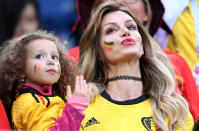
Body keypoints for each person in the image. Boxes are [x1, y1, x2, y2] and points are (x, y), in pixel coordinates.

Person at [68, 0, 199, 122]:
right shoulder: (69, 60)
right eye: (111, 29)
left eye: (131, 27)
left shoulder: (176, 63)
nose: (118, 2)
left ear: (147, 12)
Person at [0, 30, 92, 130]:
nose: (50, 61)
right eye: (40, 56)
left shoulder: (50, 97)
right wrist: (75, 108)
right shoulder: (28, 102)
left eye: (54, 57)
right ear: (20, 68)